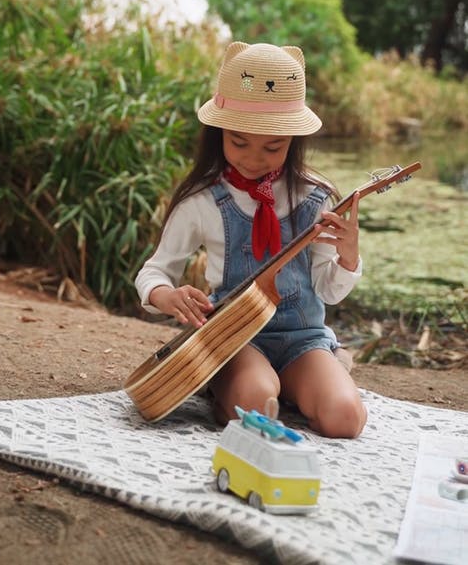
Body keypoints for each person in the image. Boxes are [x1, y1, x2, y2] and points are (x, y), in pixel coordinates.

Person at [135, 41, 367, 438]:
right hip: (235, 338)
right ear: (218, 132)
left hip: (303, 338)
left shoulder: (315, 198)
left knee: (346, 418)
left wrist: (348, 256)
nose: (254, 158)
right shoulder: (203, 200)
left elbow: (329, 293)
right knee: (257, 403)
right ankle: (227, 379)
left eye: (272, 146)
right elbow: (154, 271)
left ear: (293, 140)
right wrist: (165, 296)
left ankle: (318, 368)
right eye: (239, 142)